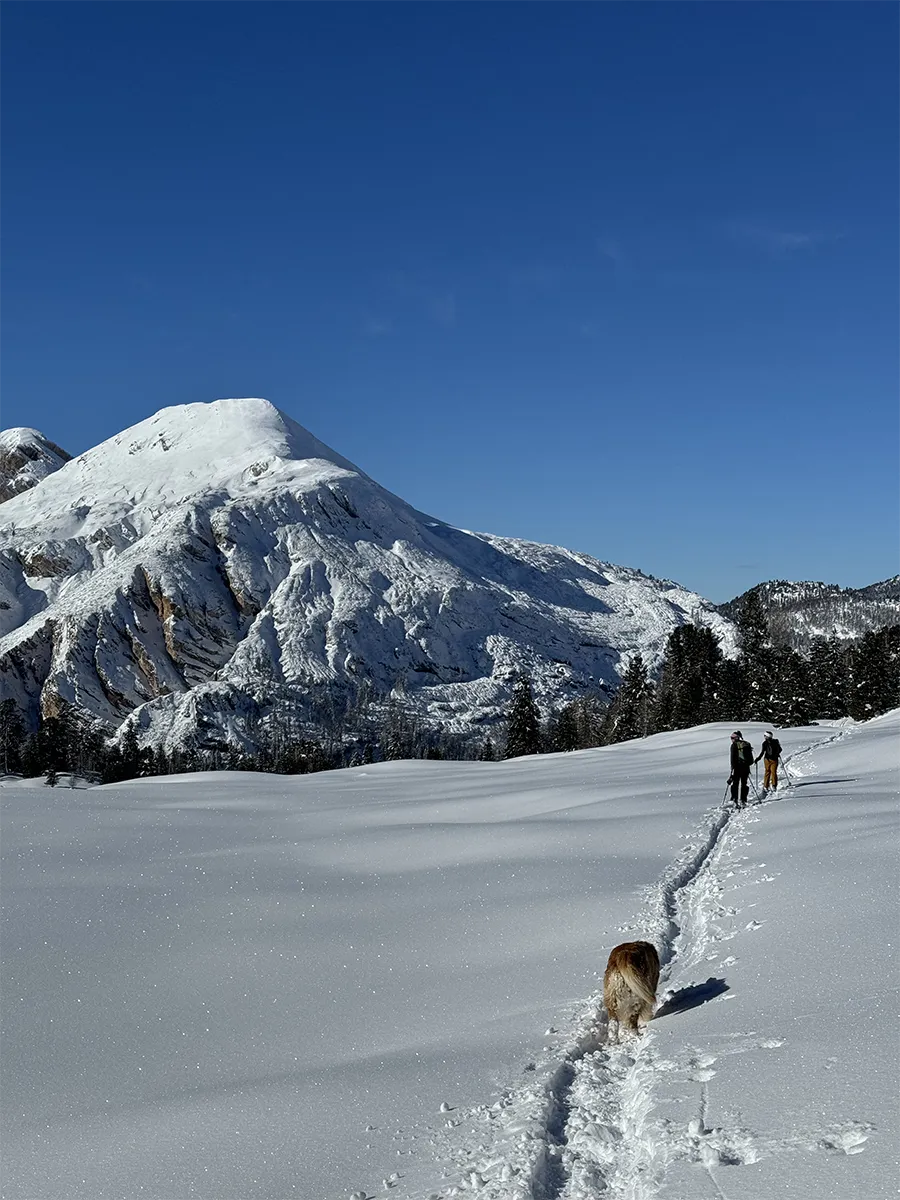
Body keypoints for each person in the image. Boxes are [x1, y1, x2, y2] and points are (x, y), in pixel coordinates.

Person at [728, 730, 754, 807]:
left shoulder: (734, 745)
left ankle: (735, 799)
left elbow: (732, 758)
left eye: (732, 737)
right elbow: (751, 760)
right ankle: (743, 800)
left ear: (736, 738)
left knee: (735, 783)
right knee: (744, 783)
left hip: (737, 767)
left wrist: (732, 768)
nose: (731, 739)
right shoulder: (746, 744)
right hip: (746, 767)